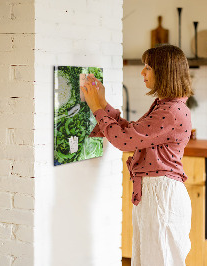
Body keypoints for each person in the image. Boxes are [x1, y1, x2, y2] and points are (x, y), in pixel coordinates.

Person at [81, 44, 193, 266]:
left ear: (164, 72)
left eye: (148, 67)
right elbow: (132, 133)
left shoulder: (170, 111)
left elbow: (124, 141)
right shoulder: (166, 106)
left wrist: (96, 108)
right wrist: (102, 104)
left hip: (161, 197)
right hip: (156, 195)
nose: (143, 73)